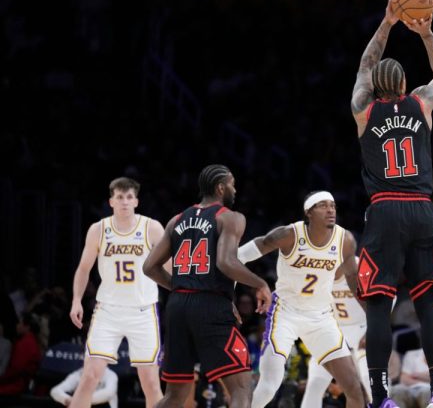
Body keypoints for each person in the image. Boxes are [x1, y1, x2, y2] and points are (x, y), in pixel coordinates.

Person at [350, 0, 433, 408]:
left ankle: (381, 398)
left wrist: (387, 23)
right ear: (407, 85)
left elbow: (363, 66)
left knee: (379, 304)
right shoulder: (421, 103)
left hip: (385, 209)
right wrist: (427, 34)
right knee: (428, 304)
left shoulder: (362, 108)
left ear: (375, 86)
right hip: (423, 210)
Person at [142, 164, 272, 408]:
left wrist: (184, 288)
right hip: (211, 308)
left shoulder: (176, 220)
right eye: (232, 183)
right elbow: (226, 262)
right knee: (243, 387)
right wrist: (260, 283)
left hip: (177, 306)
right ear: (221, 187)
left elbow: (149, 267)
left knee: (174, 396)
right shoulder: (229, 217)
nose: (235, 189)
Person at [237, 191, 366, 408]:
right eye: (323, 205)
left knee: (354, 388)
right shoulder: (289, 234)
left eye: (333, 205)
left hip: (321, 318)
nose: (330, 210)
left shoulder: (345, 240)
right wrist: (256, 283)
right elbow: (239, 257)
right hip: (285, 313)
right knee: (269, 385)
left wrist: (373, 315)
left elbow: (353, 278)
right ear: (309, 212)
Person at [68, 177, 164, 408]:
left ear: (136, 201)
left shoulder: (151, 228)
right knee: (89, 377)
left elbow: (170, 267)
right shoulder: (98, 229)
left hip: (142, 312)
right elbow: (83, 268)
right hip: (107, 311)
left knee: (150, 382)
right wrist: (76, 301)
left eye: (129, 197)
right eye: (120, 197)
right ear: (111, 201)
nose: (124, 202)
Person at [301, 257, 372, 408]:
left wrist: (374, 328)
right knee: (315, 382)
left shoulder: (360, 266)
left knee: (369, 380)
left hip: (363, 328)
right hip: (333, 329)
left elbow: (389, 298)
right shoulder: (317, 268)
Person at [0, 312, 42, 395]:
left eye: (19, 323)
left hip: (17, 385)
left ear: (27, 327)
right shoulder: (28, 341)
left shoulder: (26, 343)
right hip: (15, 381)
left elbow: (15, 369)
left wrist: (1, 379)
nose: (17, 326)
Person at [50, 366, 118, 408]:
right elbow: (55, 391)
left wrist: (80, 401)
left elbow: (108, 393)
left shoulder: (110, 375)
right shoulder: (78, 374)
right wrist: (67, 399)